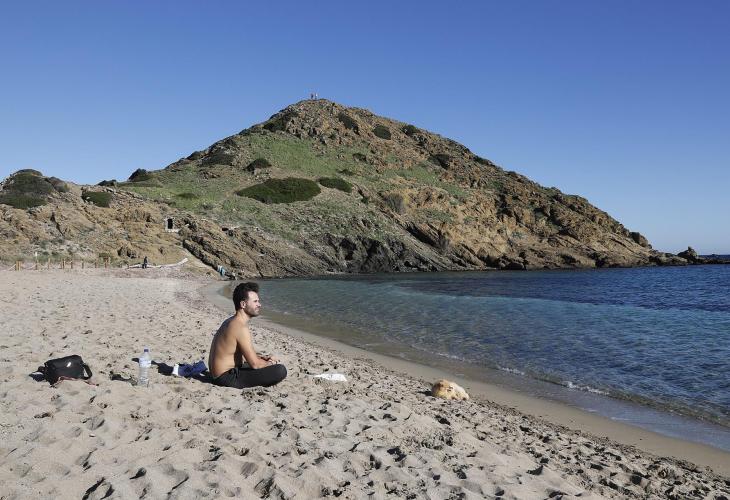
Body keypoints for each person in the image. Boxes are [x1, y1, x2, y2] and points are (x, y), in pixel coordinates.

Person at [208, 282, 287, 388]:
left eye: (258, 301)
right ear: (243, 304)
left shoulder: (231, 321)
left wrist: (263, 359)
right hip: (226, 378)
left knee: (263, 362)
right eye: (255, 301)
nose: (259, 304)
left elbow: (240, 355)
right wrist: (271, 363)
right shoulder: (240, 327)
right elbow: (255, 364)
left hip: (218, 375)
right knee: (280, 370)